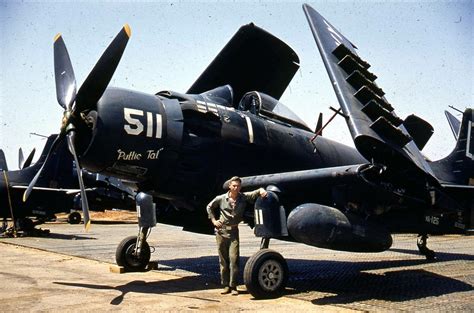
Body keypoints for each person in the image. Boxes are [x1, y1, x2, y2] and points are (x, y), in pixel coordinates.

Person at [207, 176, 267, 295]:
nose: (236, 188)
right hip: (221, 232)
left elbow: (253, 194)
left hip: (234, 232)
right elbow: (209, 207)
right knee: (223, 261)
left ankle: (233, 286)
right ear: (230, 186)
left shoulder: (243, 198)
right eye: (234, 186)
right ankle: (225, 285)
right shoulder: (221, 198)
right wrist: (214, 221)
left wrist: (261, 190)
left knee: (234, 260)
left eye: (238, 186)